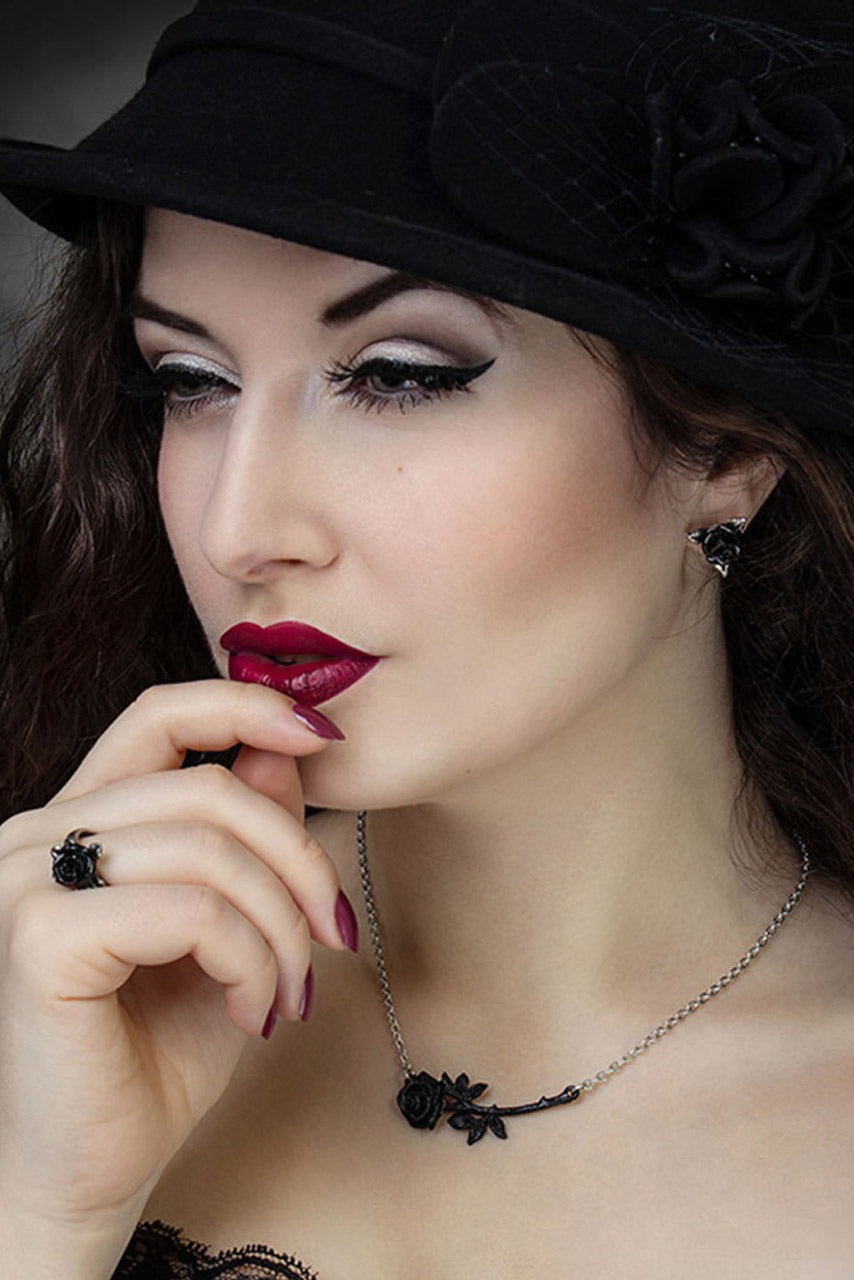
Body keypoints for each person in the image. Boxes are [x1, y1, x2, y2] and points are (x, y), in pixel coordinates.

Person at [1, 0, 854, 1275]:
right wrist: (34, 1214)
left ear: (727, 446)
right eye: (187, 381)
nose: (242, 528)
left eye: (398, 373)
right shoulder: (48, 1002)